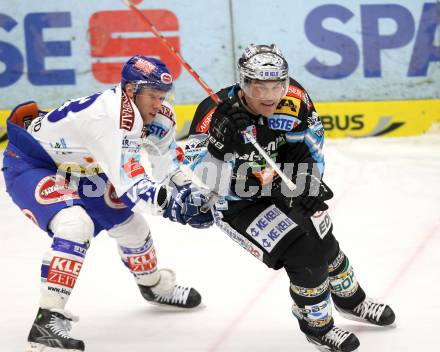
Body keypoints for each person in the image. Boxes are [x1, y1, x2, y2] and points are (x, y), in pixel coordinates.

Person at [185, 44, 395, 352]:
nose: (270, 96)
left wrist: (307, 184)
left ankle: (350, 300)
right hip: (237, 202)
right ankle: (316, 326)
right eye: (260, 87)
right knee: (304, 256)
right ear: (244, 84)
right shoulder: (214, 114)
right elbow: (208, 183)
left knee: (325, 243)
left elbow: (310, 147)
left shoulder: (294, 99)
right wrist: (220, 144)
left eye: (277, 85)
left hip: (282, 183)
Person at [2, 55, 213, 351]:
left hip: (78, 168)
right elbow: (133, 189)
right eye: (152, 95)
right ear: (130, 90)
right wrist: (176, 208)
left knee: (132, 227)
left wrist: (192, 194)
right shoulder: (110, 119)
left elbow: (167, 168)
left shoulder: (159, 117)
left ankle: (153, 286)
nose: (158, 103)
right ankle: (46, 321)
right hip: (31, 163)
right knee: (76, 225)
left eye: (162, 96)